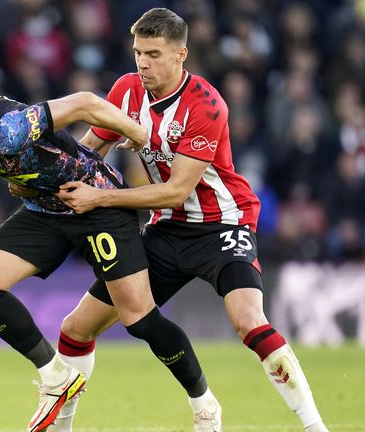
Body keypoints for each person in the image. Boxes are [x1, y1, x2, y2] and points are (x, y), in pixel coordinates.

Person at [0, 44, 221, 432]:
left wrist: (138, 135)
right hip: (46, 209)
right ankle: (55, 376)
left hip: (97, 207)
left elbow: (82, 102)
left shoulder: (8, 130)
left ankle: (204, 403)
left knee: (139, 319)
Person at [49, 8, 328, 432]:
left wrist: (101, 198)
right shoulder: (125, 91)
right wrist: (42, 176)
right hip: (165, 230)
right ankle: (58, 427)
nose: (143, 63)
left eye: (154, 54)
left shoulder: (206, 103)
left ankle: (314, 427)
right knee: (76, 327)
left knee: (249, 321)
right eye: (138, 52)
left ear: (181, 54)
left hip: (223, 225)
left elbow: (178, 189)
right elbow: (88, 153)